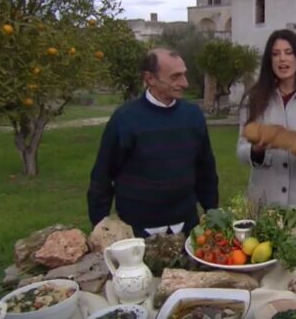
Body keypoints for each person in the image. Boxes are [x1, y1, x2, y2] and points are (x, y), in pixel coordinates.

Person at [88, 48, 219, 237]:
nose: (185, 83)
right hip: (136, 234)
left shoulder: (193, 116)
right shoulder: (125, 120)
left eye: (184, 75)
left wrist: (211, 211)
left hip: (189, 230)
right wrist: (100, 229)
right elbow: (102, 177)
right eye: (175, 77)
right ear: (150, 79)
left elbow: (206, 170)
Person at [237, 29, 296, 250]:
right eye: (276, 53)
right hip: (264, 204)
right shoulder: (253, 99)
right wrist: (258, 151)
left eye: (288, 52)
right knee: (262, 269)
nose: (282, 59)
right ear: (269, 60)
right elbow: (241, 150)